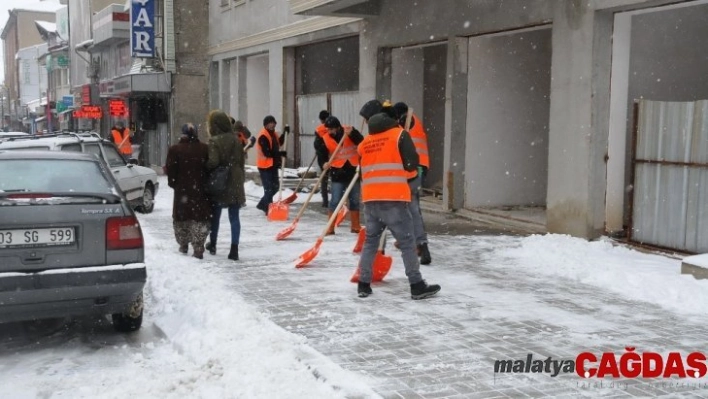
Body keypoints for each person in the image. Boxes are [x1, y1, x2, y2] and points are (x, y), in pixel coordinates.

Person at [355, 102, 440, 300]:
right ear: (392, 121)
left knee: (370, 242)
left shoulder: (364, 143)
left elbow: (363, 171)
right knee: (407, 242)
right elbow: (411, 164)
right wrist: (406, 174)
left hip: (370, 200)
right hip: (393, 199)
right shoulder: (399, 135)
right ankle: (416, 284)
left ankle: (364, 284)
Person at [392, 102, 432, 265]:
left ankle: (419, 244)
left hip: (414, 168)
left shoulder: (407, 120)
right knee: (411, 207)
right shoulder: (413, 120)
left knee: (410, 207)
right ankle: (412, 241)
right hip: (419, 166)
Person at [204, 110, 246, 261]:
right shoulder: (236, 139)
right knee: (234, 216)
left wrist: (206, 167)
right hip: (235, 178)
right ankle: (234, 249)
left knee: (215, 214)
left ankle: (213, 243)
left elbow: (213, 162)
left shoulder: (215, 141)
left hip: (221, 180)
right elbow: (241, 161)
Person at [165, 123, 212, 259]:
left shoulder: (175, 150)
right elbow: (209, 169)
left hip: (182, 192)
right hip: (200, 192)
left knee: (182, 218)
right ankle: (198, 247)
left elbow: (171, 172)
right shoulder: (204, 149)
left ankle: (183, 243)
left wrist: (175, 184)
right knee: (198, 218)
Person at [318, 116, 364, 234]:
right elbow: (321, 155)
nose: (329, 132)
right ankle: (330, 226)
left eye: (332, 129)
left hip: (353, 171)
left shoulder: (349, 132)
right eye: (328, 129)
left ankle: (355, 226)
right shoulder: (325, 139)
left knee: (354, 200)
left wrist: (352, 133)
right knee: (335, 200)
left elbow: (362, 142)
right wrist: (323, 164)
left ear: (338, 128)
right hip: (337, 173)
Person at [255, 115, 287, 215]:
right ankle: (268, 209)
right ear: (266, 124)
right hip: (264, 167)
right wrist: (280, 154)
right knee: (268, 189)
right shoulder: (263, 136)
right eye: (270, 123)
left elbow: (279, 143)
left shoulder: (273, 134)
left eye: (273, 123)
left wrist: (285, 133)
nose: (272, 124)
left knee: (276, 187)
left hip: (273, 165)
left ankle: (262, 204)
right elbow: (267, 153)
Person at [313, 110, 330, 207]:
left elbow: (316, 144)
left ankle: (325, 200)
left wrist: (319, 149)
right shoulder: (334, 125)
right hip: (333, 154)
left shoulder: (319, 129)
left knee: (324, 178)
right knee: (337, 178)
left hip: (323, 156)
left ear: (320, 119)